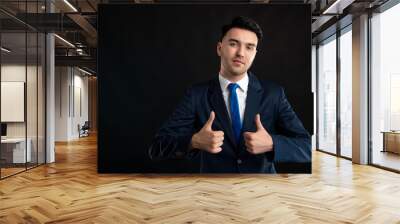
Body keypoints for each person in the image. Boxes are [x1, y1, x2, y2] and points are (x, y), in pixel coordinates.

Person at [149, 16, 311, 173]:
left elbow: (306, 147)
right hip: (214, 191)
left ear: (255, 53)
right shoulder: (196, 94)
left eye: (249, 47)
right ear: (220, 48)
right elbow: (157, 147)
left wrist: (272, 144)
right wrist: (193, 141)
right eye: (234, 44)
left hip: (262, 191)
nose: (241, 53)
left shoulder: (273, 94)